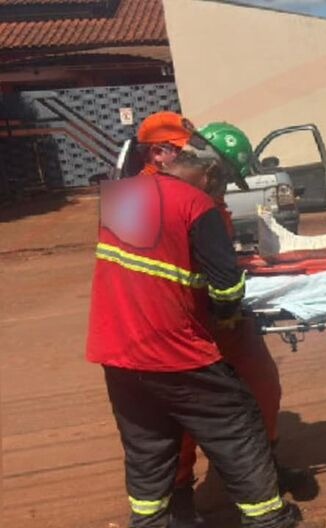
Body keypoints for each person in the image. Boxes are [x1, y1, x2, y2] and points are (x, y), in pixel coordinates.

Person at [86, 122, 304, 528]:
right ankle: (269, 521)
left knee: (148, 445)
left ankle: (151, 522)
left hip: (117, 349)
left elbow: (151, 264)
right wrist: (227, 314)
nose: (223, 192)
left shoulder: (123, 195)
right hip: (173, 349)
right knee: (238, 423)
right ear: (211, 173)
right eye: (224, 182)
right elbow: (225, 286)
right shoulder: (197, 204)